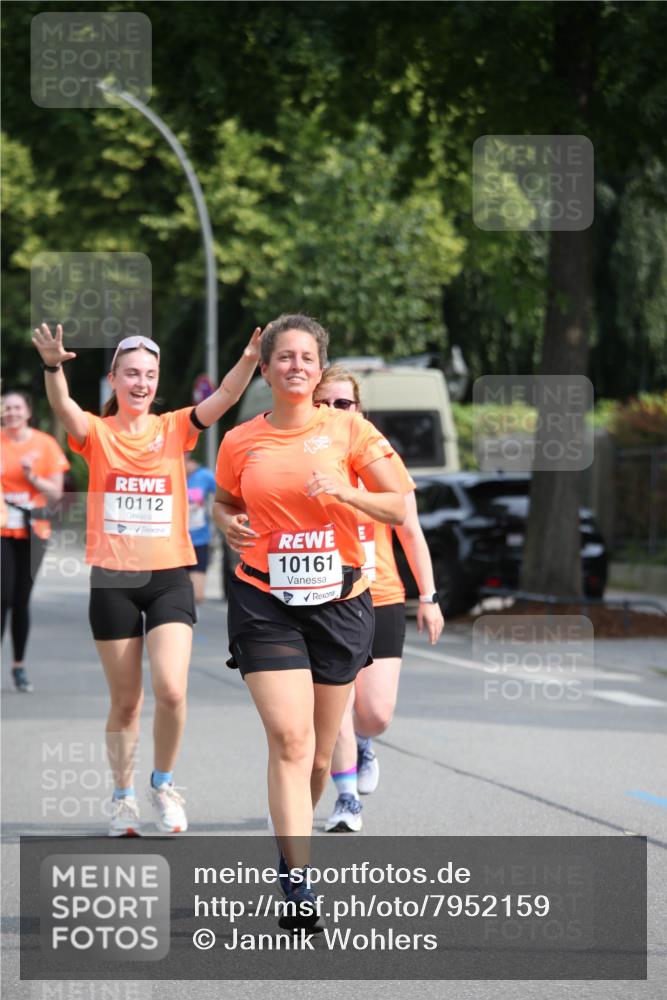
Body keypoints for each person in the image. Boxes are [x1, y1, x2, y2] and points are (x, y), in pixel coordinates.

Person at [31, 322, 261, 836]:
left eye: (149, 375)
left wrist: (249, 357)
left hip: (168, 576)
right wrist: (51, 366)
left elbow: (224, 397)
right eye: (132, 373)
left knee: (173, 690)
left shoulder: (175, 427)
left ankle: (163, 784)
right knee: (127, 701)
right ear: (113, 379)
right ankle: (122, 797)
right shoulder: (97, 433)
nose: (141, 382)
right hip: (113, 581)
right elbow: (63, 406)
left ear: (157, 383)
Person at [213, 314, 405, 926]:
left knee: (320, 758)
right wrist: (226, 523)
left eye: (306, 357)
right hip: (264, 599)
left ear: (319, 369)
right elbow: (224, 500)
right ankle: (298, 882)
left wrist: (347, 493)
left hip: (341, 602)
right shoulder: (239, 440)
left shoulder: (350, 429)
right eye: (284, 357)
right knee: (290, 740)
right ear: (266, 370)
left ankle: (289, 841)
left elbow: (399, 504)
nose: (296, 365)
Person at [313, 365, 445, 833]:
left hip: (382, 594)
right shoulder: (304, 456)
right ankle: (347, 799)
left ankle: (365, 743)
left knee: (375, 713)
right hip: (327, 596)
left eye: (342, 403)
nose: (333, 411)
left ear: (359, 409)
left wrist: (428, 596)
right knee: (338, 706)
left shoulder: (381, 457)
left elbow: (411, 532)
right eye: (322, 403)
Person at [1, 390, 69, 693]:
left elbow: (56, 494)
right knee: (2, 596)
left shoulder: (45, 444)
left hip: (34, 530)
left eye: (17, 407)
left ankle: (18, 666)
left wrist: (31, 476)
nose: (11, 412)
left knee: (21, 600)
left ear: (28, 412)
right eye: (6, 408)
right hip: (3, 528)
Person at [184, 452, 217, 603]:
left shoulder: (204, 475)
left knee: (197, 595)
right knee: (178, 594)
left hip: (199, 540)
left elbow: (225, 495)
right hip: (174, 542)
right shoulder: (167, 472)